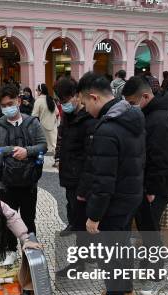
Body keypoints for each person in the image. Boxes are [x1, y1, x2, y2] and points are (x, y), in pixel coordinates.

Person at [76, 72, 145, 295]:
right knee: (122, 248)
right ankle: (126, 294)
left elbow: (104, 180)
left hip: (115, 201)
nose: (84, 108)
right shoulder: (132, 116)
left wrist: (93, 216)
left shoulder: (107, 128)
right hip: (130, 196)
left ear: (94, 97)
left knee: (112, 256)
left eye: (84, 103)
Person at [123, 76, 168, 295]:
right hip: (143, 185)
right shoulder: (147, 114)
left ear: (146, 96)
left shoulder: (159, 120)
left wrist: (152, 190)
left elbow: (161, 158)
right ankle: (145, 269)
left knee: (151, 232)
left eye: (133, 102)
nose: (130, 106)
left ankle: (155, 276)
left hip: (155, 188)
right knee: (146, 230)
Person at [0, 84, 47, 265]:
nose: (7, 108)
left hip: (29, 181)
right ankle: (10, 250)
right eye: (3, 105)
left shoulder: (32, 122)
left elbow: (43, 145)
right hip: (6, 182)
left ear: (19, 101)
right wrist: (11, 149)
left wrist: (27, 151)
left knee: (29, 218)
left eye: (10, 103)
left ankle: (31, 250)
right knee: (7, 219)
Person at [54, 76, 96, 236]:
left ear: (78, 96)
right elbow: (61, 138)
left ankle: (84, 245)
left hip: (81, 174)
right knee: (70, 204)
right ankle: (72, 224)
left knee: (81, 209)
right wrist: (58, 157)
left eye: (66, 100)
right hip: (68, 171)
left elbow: (89, 153)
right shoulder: (67, 116)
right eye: (61, 101)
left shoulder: (88, 118)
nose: (64, 104)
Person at [32, 83, 59, 154]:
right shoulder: (51, 99)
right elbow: (57, 112)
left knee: (46, 148)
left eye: (37, 90)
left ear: (40, 91)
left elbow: (34, 115)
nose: (36, 91)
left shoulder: (38, 101)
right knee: (54, 145)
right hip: (53, 124)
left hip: (43, 126)